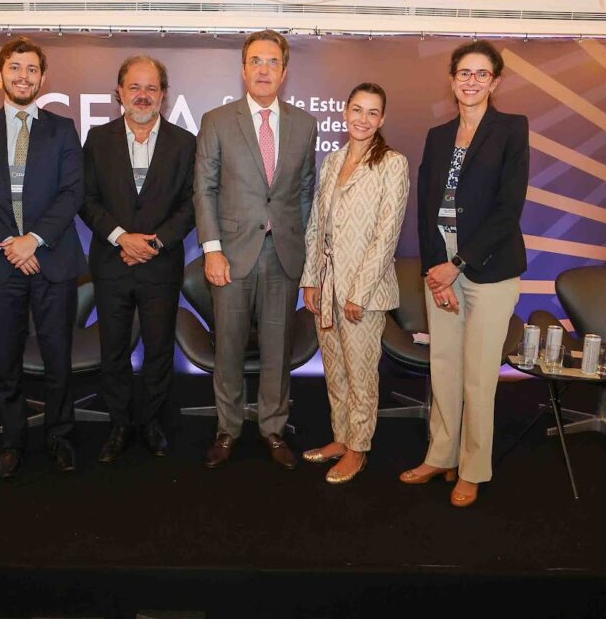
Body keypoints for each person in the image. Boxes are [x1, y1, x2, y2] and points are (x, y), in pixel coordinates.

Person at [400, 40, 529, 508]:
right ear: (452, 80)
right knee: (444, 367)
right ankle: (441, 456)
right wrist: (436, 272)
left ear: (495, 82)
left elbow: (508, 209)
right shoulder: (438, 136)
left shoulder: (511, 129)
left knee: (477, 376)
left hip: (488, 267)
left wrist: (457, 266)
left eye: (481, 74)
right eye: (464, 73)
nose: (471, 81)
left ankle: (473, 469)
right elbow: (426, 209)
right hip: (443, 265)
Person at [0, 37, 86, 475]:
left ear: (43, 78)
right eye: (15, 67)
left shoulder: (62, 128)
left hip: (52, 260)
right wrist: (10, 243)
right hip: (1, 262)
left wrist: (34, 239)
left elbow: (72, 192)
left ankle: (59, 434)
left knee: (57, 358)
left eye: (32, 69)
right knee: (6, 361)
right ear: (0, 74)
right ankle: (12, 439)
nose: (23, 76)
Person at [193, 29, 318, 470]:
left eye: (272, 62)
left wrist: (307, 255)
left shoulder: (305, 124)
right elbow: (204, 189)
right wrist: (212, 249)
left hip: (283, 254)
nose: (264, 70)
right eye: (256, 61)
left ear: (284, 71)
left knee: (277, 349)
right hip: (230, 254)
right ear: (243, 69)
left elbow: (305, 193)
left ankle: (273, 428)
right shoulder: (217, 120)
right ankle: (227, 429)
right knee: (227, 347)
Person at [79, 56, 196, 462]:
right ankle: (119, 423)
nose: (142, 96)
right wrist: (121, 238)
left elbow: (191, 204)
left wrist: (155, 243)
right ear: (119, 93)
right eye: (134, 87)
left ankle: (149, 421)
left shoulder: (185, 143)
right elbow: (86, 199)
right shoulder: (98, 139)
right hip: (112, 264)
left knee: (159, 348)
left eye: (151, 88)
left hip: (160, 265)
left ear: (164, 95)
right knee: (113, 348)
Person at [300, 83, 409, 485]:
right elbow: (317, 224)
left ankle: (359, 449)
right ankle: (342, 437)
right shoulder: (333, 160)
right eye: (357, 110)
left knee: (362, 374)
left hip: (364, 292)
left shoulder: (392, 163)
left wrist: (358, 293)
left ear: (382, 119)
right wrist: (311, 279)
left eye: (372, 112)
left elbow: (387, 235)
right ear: (345, 113)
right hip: (327, 285)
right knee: (335, 370)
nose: (363, 119)